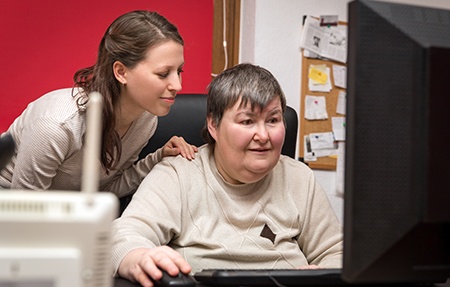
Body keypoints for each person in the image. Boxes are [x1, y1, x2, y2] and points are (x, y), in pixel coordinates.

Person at [111, 63, 343, 287]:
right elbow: (125, 236)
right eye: (247, 121)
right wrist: (139, 257)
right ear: (214, 125)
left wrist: (324, 274)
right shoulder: (178, 174)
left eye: (273, 120)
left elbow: (336, 253)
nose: (263, 135)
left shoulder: (299, 177)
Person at [0, 10, 197, 196]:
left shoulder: (146, 119)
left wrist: (160, 158)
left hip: (64, 214)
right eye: (163, 74)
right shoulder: (56, 125)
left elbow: (103, 191)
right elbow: (24, 212)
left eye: (179, 71)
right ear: (121, 72)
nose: (177, 85)